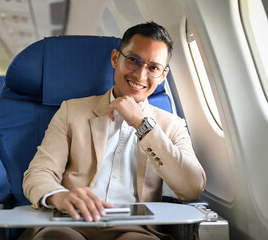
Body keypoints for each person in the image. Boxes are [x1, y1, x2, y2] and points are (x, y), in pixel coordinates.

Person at [20, 21, 206, 240]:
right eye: (133, 61)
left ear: (163, 75)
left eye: (153, 68)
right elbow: (38, 174)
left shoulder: (172, 125)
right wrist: (59, 196)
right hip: (72, 222)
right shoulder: (72, 111)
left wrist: (142, 124)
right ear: (116, 58)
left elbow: (192, 187)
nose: (140, 75)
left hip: (136, 229)